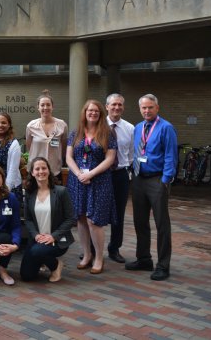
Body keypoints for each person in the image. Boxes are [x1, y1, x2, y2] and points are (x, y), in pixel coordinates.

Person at [125, 94, 177, 281]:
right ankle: (144, 259)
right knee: (140, 222)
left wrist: (166, 180)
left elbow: (171, 155)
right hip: (139, 178)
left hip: (157, 180)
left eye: (150, 107)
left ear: (157, 108)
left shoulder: (166, 128)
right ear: (140, 109)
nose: (147, 111)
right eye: (144, 108)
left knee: (162, 224)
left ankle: (163, 265)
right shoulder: (138, 127)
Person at [66, 100, 116, 275]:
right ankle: (86, 255)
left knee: (94, 220)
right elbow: (68, 157)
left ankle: (99, 259)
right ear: (84, 112)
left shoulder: (107, 133)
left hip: (99, 181)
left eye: (96, 111)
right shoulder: (76, 132)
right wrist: (79, 174)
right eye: (89, 110)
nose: (93, 113)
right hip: (77, 181)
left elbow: (110, 159)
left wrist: (90, 174)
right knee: (80, 218)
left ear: (101, 113)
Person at [20, 157, 75, 282]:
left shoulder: (61, 192)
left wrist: (53, 236)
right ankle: (41, 260)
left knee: (37, 251)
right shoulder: (30, 193)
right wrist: (36, 235)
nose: (41, 171)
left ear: (49, 171)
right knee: (26, 276)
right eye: (37, 169)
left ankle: (56, 266)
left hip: (57, 239)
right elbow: (28, 220)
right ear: (32, 173)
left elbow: (70, 219)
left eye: (44, 168)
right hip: (37, 240)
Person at [105, 93, 135, 263]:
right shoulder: (98, 125)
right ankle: (93, 249)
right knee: (97, 211)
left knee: (119, 213)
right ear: (107, 106)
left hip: (120, 175)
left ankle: (114, 248)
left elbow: (131, 154)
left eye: (120, 105)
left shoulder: (130, 128)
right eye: (113, 104)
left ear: (123, 107)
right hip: (101, 175)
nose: (116, 108)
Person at [25, 90, 68, 182]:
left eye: (48, 105)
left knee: (55, 196)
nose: (45, 107)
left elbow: (63, 147)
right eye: (42, 105)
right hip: (36, 171)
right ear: (38, 107)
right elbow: (30, 147)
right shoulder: (31, 126)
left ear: (52, 107)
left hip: (54, 171)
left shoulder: (62, 125)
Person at [0, 112, 22, 196]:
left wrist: (6, 190)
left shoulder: (14, 144)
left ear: (9, 125)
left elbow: (13, 170)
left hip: (9, 186)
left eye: (3, 123)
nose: (0, 125)